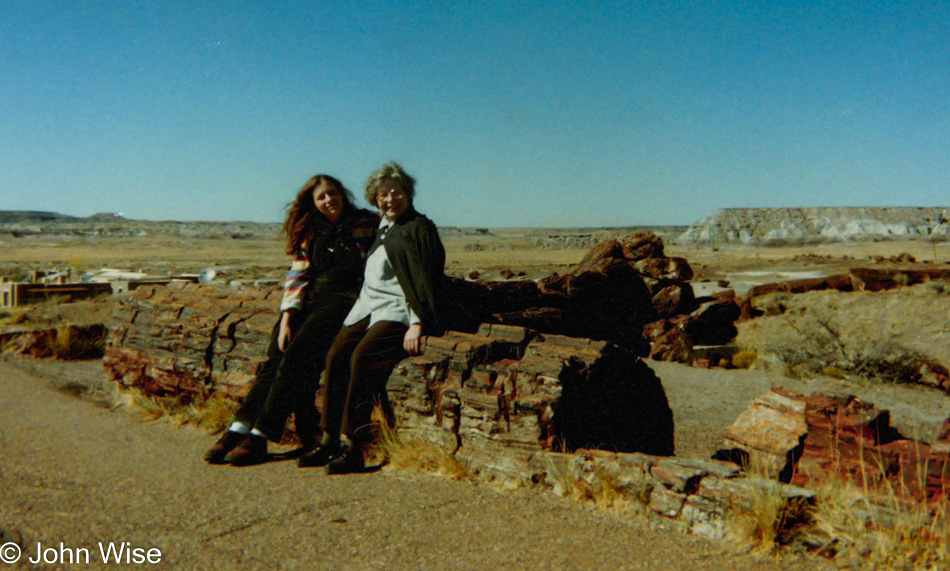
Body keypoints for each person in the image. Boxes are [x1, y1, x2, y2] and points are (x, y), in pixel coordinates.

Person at [203, 174, 377, 466]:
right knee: (275, 357)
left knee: (296, 356)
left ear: (342, 194)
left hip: (343, 298)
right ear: (313, 203)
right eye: (321, 197)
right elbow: (298, 274)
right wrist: (287, 317)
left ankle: (260, 434)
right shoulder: (311, 231)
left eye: (332, 194)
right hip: (311, 298)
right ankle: (238, 428)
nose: (328, 200)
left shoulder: (364, 222)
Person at [297, 162, 447, 474]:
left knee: (363, 357)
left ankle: (354, 445)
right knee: (337, 355)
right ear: (374, 199)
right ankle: (329, 439)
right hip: (368, 305)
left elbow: (426, 279)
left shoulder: (418, 228)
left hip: (398, 310)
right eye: (382, 195)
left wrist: (417, 321)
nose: (390, 199)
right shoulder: (383, 226)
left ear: (407, 193)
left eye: (396, 192)